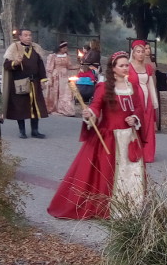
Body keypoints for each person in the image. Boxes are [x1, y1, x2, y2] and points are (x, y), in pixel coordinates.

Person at [48, 51, 147, 220]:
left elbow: (139, 108)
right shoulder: (104, 87)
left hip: (129, 138)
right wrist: (90, 114)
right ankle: (108, 207)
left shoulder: (134, 87)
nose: (125, 68)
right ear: (113, 69)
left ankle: (133, 206)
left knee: (132, 171)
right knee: (108, 172)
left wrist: (135, 118)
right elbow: (95, 107)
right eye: (121, 65)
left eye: (126, 65)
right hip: (109, 137)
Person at [2, 29, 49, 139]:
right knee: (20, 107)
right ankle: (22, 131)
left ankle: (35, 131)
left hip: (34, 82)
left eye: (30, 35)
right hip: (20, 83)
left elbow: (40, 66)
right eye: (26, 35)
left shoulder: (36, 49)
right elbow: (6, 65)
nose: (29, 37)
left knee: (35, 106)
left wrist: (43, 80)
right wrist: (15, 63)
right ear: (20, 37)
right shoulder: (14, 48)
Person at [128, 40, 158, 162]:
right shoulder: (128, 66)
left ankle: (147, 154)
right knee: (137, 125)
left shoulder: (148, 67)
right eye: (138, 51)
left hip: (147, 100)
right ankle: (134, 151)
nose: (140, 54)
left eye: (142, 51)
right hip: (135, 99)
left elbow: (150, 85)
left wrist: (154, 103)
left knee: (148, 125)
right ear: (133, 53)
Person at [44, 41, 77, 116]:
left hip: (64, 76)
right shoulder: (53, 56)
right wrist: (49, 78)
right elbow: (49, 68)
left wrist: (78, 66)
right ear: (60, 48)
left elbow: (69, 66)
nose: (66, 49)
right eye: (64, 48)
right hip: (56, 75)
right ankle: (54, 107)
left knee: (65, 92)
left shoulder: (67, 57)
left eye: (66, 48)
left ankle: (64, 108)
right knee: (55, 91)